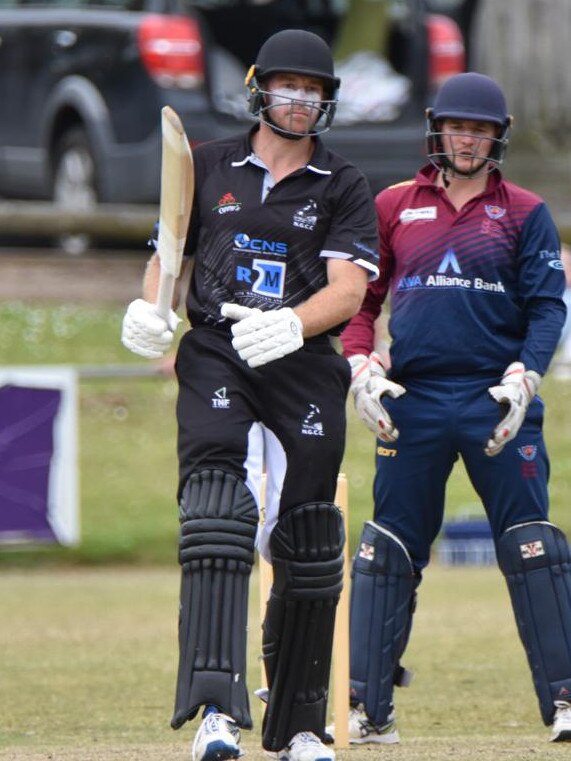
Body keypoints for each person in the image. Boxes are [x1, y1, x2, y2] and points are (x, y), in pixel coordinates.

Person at [120, 28, 379, 761]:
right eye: (286, 85)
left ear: (325, 101)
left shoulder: (342, 183)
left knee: (307, 535)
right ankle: (213, 711)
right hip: (217, 352)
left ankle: (298, 722)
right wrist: (151, 309)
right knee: (215, 509)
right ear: (260, 88)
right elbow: (168, 256)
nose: (297, 100)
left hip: (301, 362)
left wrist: (291, 324)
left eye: (313, 90)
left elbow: (349, 290)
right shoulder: (204, 165)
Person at [334, 72, 571, 745]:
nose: (466, 139)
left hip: (494, 398)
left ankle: (564, 699)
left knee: (532, 545)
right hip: (413, 398)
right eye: (457, 126)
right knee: (386, 548)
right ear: (436, 128)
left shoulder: (524, 211)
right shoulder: (393, 204)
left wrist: (525, 377)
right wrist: (359, 366)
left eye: (480, 129)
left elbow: (547, 307)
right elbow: (362, 297)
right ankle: (365, 708)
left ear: (496, 136)